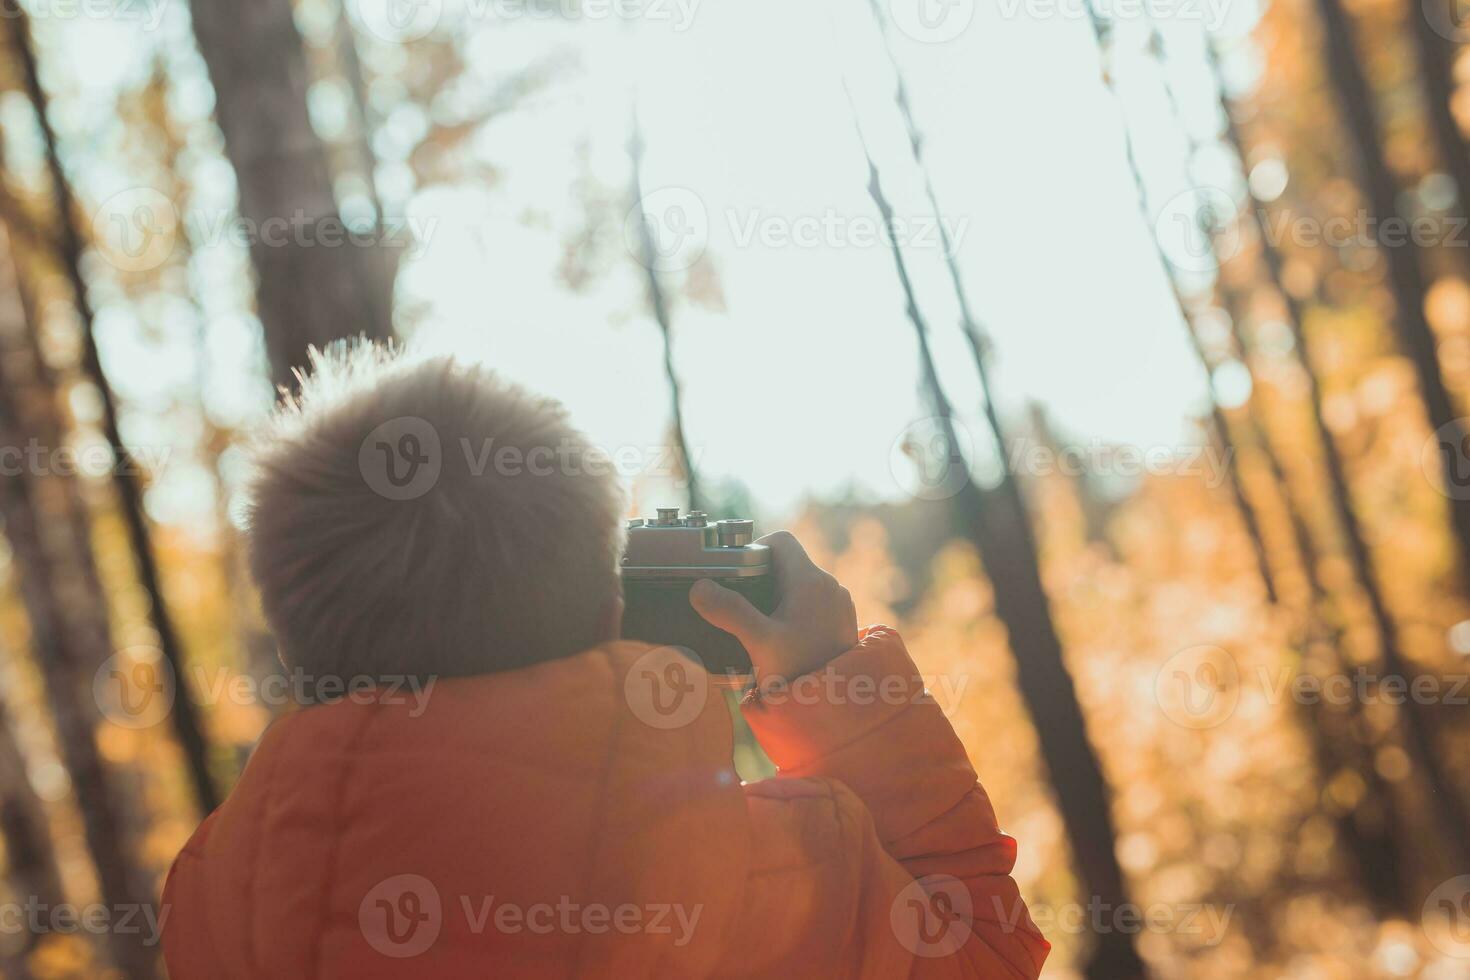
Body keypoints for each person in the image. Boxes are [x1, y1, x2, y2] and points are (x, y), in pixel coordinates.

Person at [161, 345, 1049, 978]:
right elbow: (982, 951)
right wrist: (834, 684)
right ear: (612, 605)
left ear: (298, 636)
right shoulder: (717, 878)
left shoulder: (208, 909)